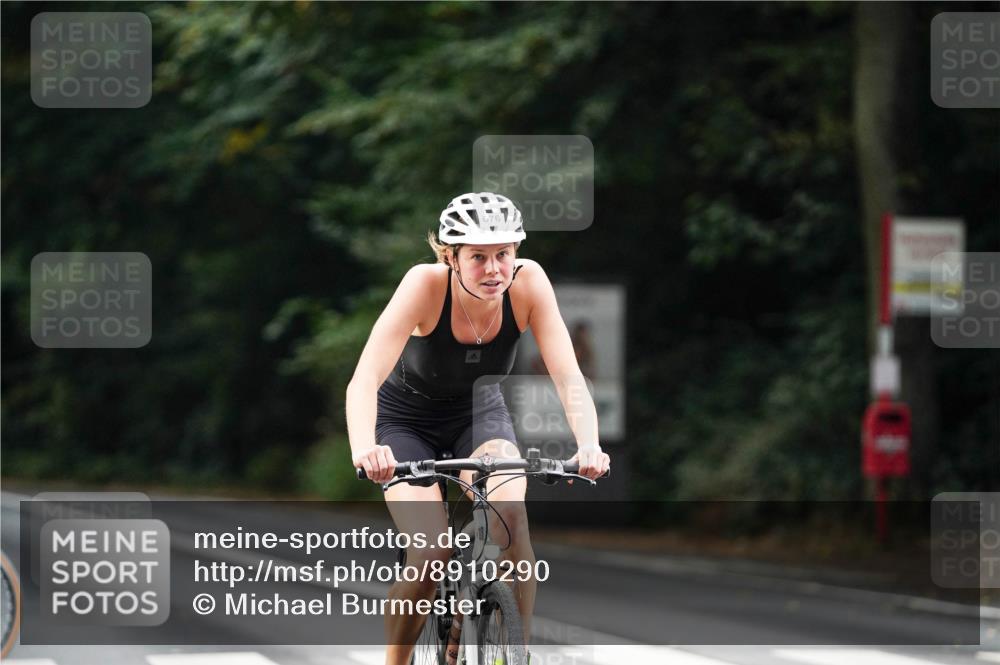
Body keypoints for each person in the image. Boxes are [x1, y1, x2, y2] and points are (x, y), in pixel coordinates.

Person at [346, 192, 610, 665]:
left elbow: (569, 376)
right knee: (430, 556)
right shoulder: (424, 286)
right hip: (406, 422)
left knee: (511, 514)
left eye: (504, 255)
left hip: (478, 415)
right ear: (451, 257)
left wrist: (588, 443)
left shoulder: (530, 285)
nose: (494, 269)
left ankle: (516, 652)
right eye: (478, 258)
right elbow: (364, 379)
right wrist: (366, 449)